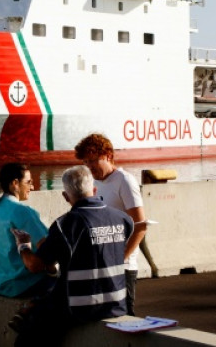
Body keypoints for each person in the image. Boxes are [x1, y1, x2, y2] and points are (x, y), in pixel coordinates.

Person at [12, 165, 134, 346]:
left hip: (80, 308)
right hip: (116, 305)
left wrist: (23, 246)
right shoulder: (122, 219)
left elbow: (35, 265)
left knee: (27, 337)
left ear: (66, 196)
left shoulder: (65, 225)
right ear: (94, 190)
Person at [74, 133, 147, 315]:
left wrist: (121, 259)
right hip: (101, 265)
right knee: (105, 317)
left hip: (123, 266)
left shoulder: (124, 181)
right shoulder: (93, 183)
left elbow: (140, 226)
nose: (90, 167)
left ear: (108, 156)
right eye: (86, 162)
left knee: (125, 317)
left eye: (93, 160)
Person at [0, 163, 50, 297]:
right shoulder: (21, 211)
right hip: (24, 285)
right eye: (29, 182)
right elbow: (48, 246)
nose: (32, 187)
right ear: (15, 183)